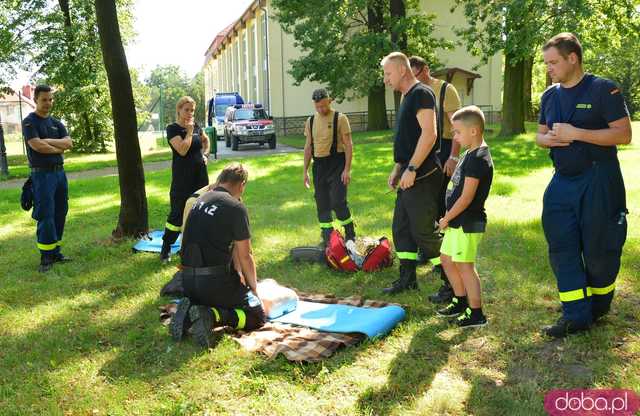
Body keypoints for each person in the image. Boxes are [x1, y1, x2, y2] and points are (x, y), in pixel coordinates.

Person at [536, 33, 632, 338]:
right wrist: (547, 139)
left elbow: (623, 134)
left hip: (599, 179)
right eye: (546, 63)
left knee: (599, 250)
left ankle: (598, 307)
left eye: (553, 62)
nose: (548, 68)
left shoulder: (603, 89)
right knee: (561, 245)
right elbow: (539, 136)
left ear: (572, 58)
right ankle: (575, 315)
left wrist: (577, 132)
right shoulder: (549, 96)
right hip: (562, 181)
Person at [170, 163, 266, 347]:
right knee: (256, 315)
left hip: (188, 282)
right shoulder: (235, 208)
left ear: (220, 180)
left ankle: (190, 311)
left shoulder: (199, 200)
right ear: (241, 184)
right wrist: (254, 289)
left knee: (219, 293)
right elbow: (245, 256)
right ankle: (211, 316)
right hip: (214, 284)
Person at [380, 52, 444, 294]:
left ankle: (451, 281)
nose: (386, 80)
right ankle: (407, 279)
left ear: (402, 70)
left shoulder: (421, 93)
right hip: (409, 173)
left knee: (423, 232)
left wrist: (412, 168)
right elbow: (409, 139)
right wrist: (398, 168)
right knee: (402, 228)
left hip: (423, 174)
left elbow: (430, 134)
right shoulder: (407, 97)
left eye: (388, 74)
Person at [409, 56, 463, 304]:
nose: (413, 78)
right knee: (425, 205)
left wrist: (453, 157)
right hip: (423, 152)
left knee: (442, 205)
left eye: (416, 73)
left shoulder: (445, 90)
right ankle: (432, 252)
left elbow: (455, 128)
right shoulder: (411, 92)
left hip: (443, 148)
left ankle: (450, 259)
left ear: (425, 70)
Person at [435, 106, 493, 328]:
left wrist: (447, 218)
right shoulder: (470, 152)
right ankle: (460, 301)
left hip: (467, 222)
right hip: (457, 221)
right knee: (447, 259)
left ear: (474, 131)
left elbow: (467, 198)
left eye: (457, 132)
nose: (455, 137)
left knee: (464, 265)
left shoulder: (479, 158)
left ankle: (476, 312)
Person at [21, 85, 74, 273]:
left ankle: (56, 251)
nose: (48, 103)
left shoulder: (57, 123)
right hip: (42, 175)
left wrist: (49, 141)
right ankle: (46, 257)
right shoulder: (29, 122)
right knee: (46, 214)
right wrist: (59, 148)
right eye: (44, 99)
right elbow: (37, 146)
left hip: (59, 174)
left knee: (61, 211)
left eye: (50, 99)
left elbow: (69, 143)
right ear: (35, 100)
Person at [160, 96, 211, 262]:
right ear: (179, 110)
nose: (189, 113)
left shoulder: (196, 126)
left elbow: (205, 140)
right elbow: (182, 150)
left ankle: (195, 249)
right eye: (186, 110)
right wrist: (189, 131)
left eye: (192, 110)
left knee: (200, 211)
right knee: (177, 213)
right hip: (182, 179)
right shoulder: (172, 129)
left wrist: (205, 154)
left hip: (200, 176)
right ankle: (166, 248)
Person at [303, 88, 355, 246]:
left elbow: (348, 145)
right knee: (322, 202)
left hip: (337, 164)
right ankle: (327, 235)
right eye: (318, 107)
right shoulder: (310, 121)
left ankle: (350, 232)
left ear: (330, 101)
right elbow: (308, 147)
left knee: (338, 202)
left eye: (324, 106)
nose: (321, 109)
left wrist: (347, 169)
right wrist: (305, 171)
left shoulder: (340, 118)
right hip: (319, 166)